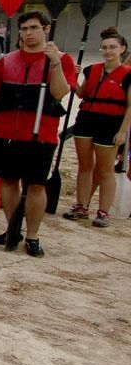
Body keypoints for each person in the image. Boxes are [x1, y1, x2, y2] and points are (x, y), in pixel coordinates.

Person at [0, 10, 77, 257]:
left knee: (36, 186)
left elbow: (59, 93)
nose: (28, 33)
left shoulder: (62, 60)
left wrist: (54, 62)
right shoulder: (6, 60)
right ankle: (12, 228)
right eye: (24, 29)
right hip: (5, 133)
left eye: (33, 28)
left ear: (46, 29)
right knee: (9, 181)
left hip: (41, 135)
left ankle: (33, 235)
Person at [64, 27, 131, 227]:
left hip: (111, 124)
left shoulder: (128, 75)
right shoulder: (92, 69)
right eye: (105, 47)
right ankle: (81, 206)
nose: (108, 51)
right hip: (86, 120)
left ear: (122, 49)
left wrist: (122, 131)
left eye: (113, 47)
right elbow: (81, 93)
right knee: (85, 166)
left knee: (105, 171)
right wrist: (73, 78)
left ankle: (103, 212)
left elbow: (130, 106)